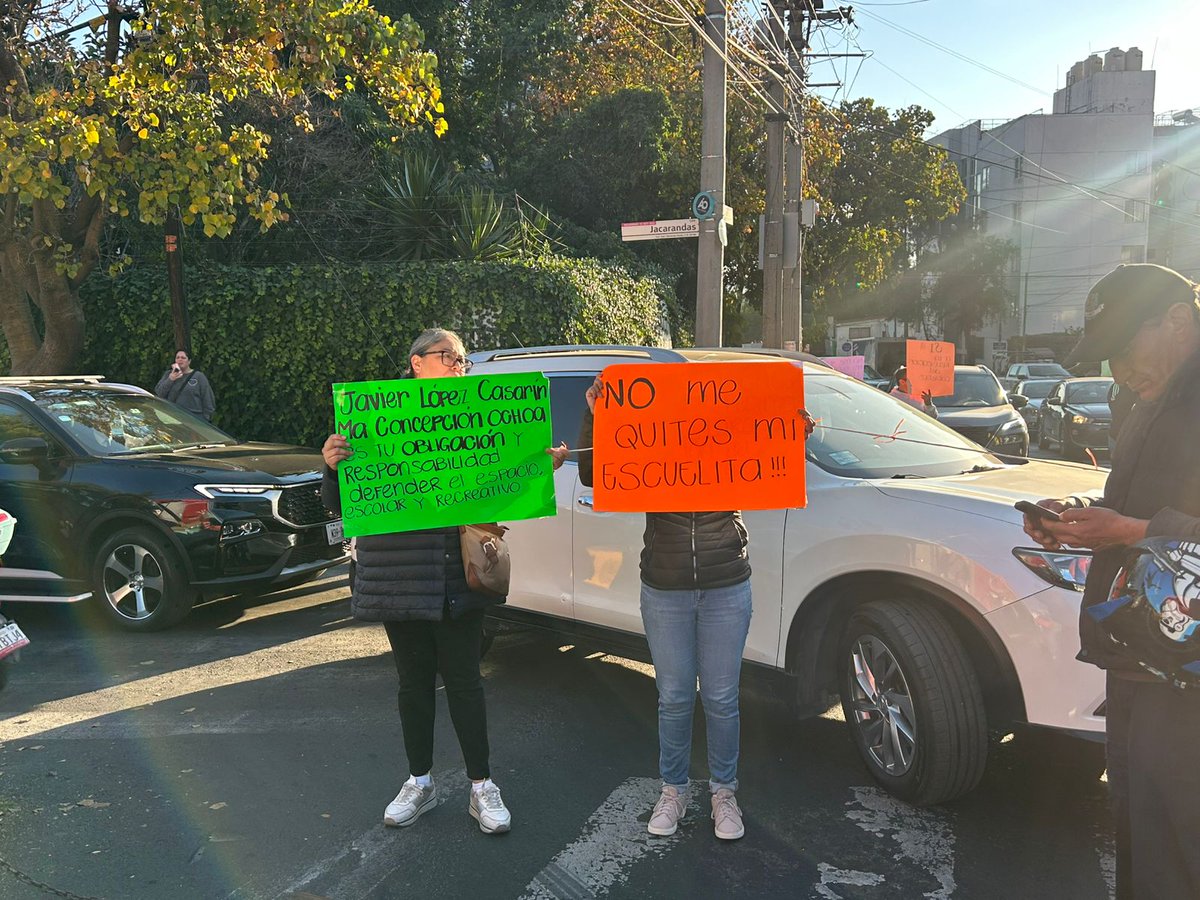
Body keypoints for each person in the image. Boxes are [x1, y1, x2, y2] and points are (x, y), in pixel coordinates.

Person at [560, 376, 813, 842]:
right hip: (665, 586)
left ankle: (724, 794)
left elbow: (771, 463)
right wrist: (593, 420)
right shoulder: (647, 436)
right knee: (674, 698)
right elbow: (594, 474)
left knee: (721, 699)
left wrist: (789, 431)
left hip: (726, 585)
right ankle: (673, 790)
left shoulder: (731, 436)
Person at [1019, 263, 1200, 900]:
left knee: (1179, 852)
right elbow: (1137, 507)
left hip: (1186, 680)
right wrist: (1077, 524)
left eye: (1125, 349)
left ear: (1178, 322)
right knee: (1140, 845)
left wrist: (1126, 530)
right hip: (1135, 660)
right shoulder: (1146, 400)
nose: (1118, 370)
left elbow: (1146, 524)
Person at [320, 328, 512, 835]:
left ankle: (482, 786)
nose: (458, 366)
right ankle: (419, 782)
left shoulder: (476, 417)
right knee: (414, 687)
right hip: (401, 577)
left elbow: (504, 486)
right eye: (449, 356)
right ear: (417, 362)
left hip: (458, 576)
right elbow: (344, 507)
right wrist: (332, 467)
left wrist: (537, 465)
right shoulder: (374, 419)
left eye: (463, 360)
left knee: (467, 685)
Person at [154, 350, 216, 421]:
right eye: (177, 357)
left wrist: (204, 420)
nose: (180, 359)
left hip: (193, 419)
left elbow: (208, 400)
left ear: (189, 361)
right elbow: (159, 394)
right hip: (172, 418)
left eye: (183, 358)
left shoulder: (199, 377)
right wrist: (170, 379)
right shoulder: (168, 374)